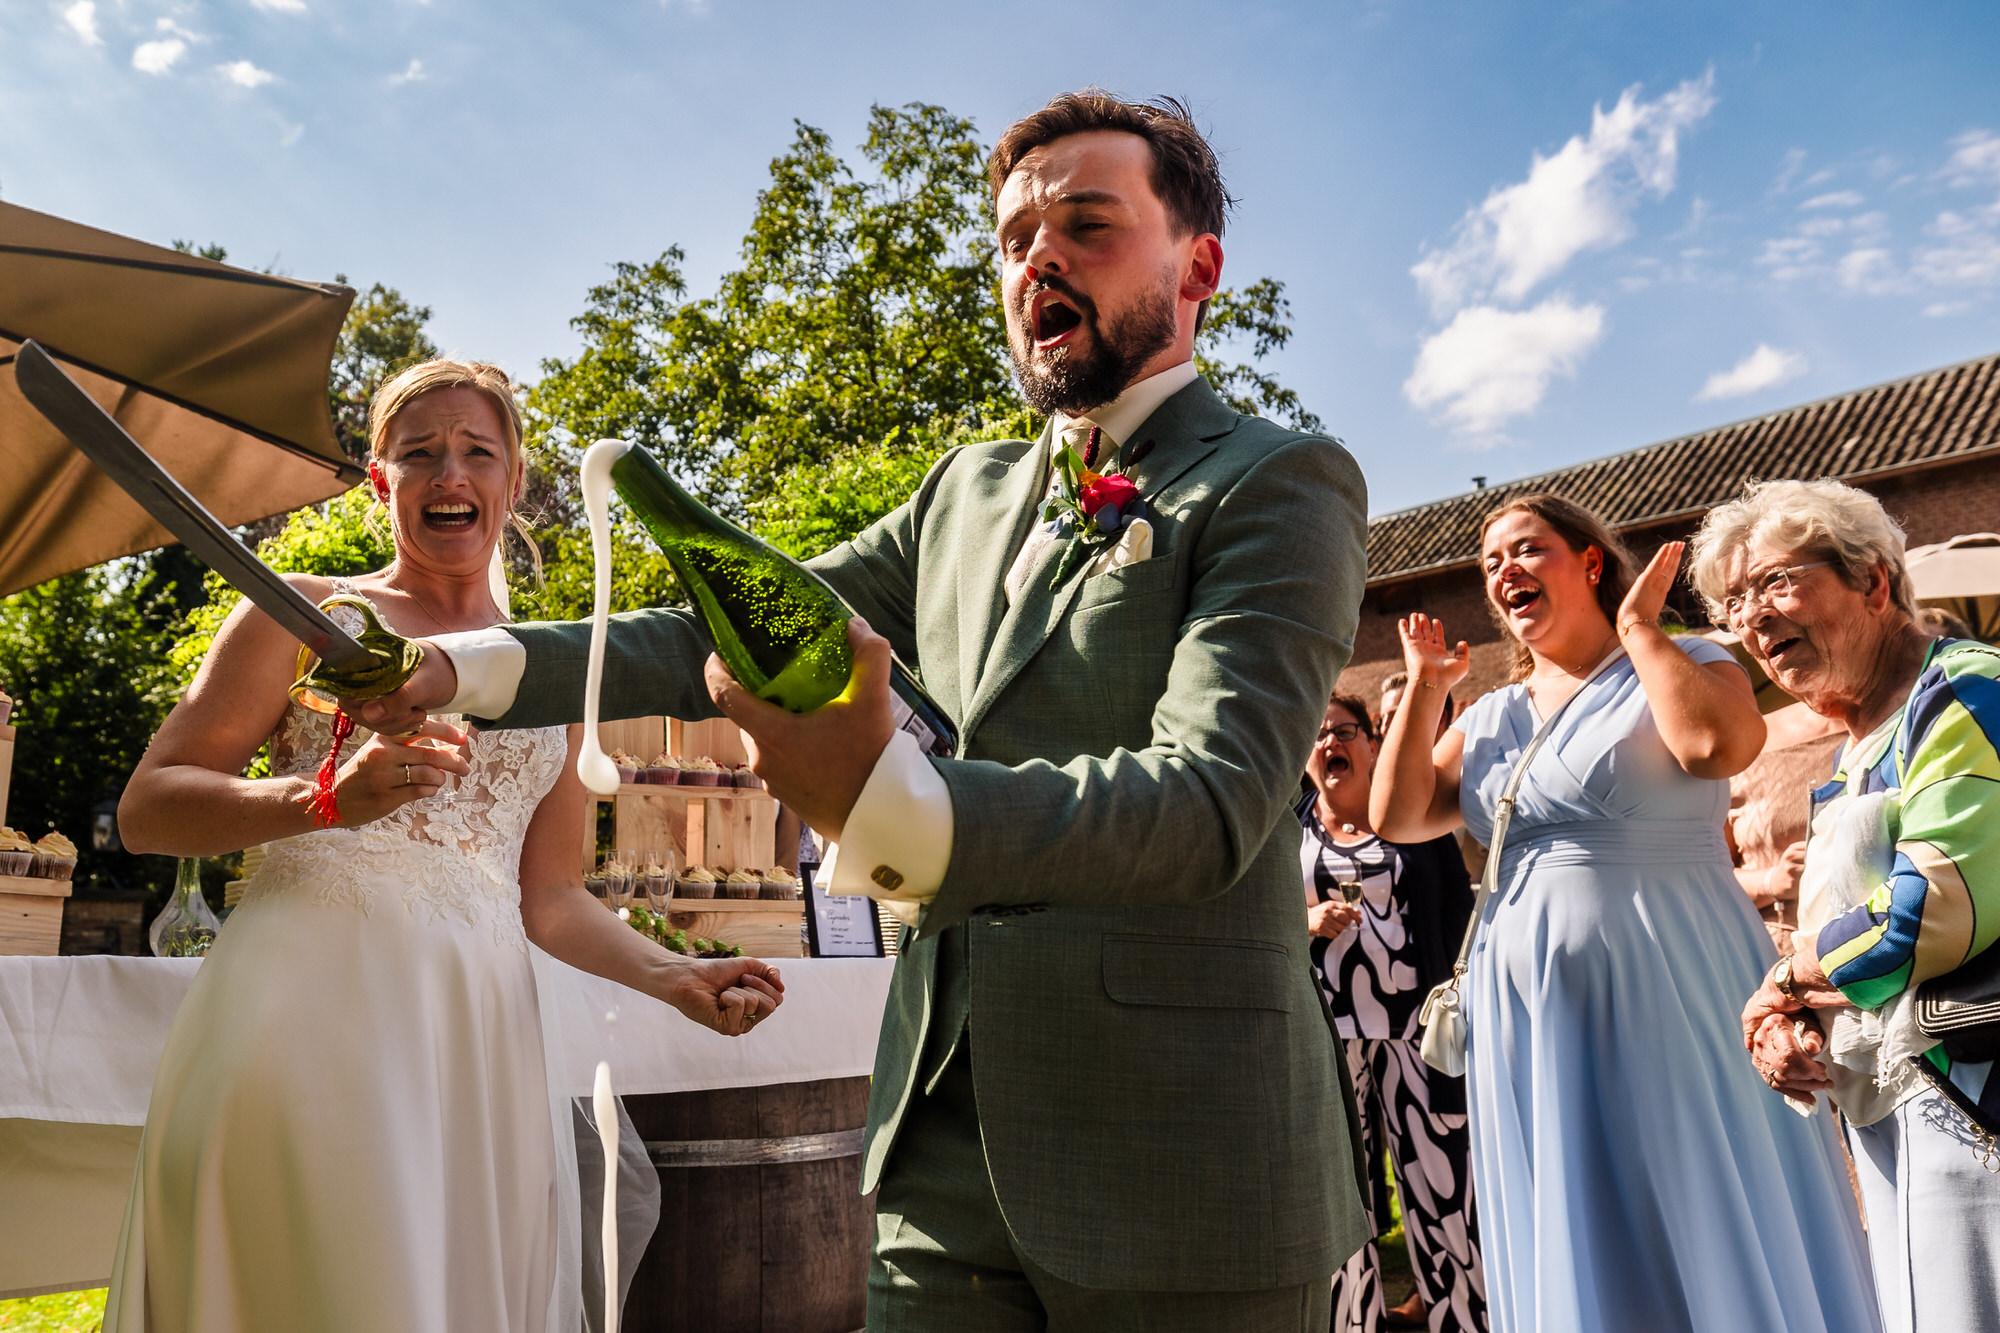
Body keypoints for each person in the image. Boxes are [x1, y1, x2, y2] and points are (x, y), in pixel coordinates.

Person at [357, 92, 1371, 1330]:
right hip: (935, 1159)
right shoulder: (963, 492)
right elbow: (732, 619)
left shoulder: (1279, 479)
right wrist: (457, 667)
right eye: (1011, 241)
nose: (1035, 260)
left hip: (1181, 1157)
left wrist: (888, 808)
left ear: (1195, 264)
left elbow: (1210, 801)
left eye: (1085, 226)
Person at [106, 361, 783, 1333]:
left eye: (476, 452)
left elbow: (548, 898)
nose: (447, 475)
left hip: (479, 1049)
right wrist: (323, 799)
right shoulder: (305, 615)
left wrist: (674, 976)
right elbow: (149, 808)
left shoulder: (550, 673)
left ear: (513, 482)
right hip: (302, 1023)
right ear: (381, 483)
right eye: (418, 455)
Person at [1370, 493, 1881, 1333]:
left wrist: (1642, 629)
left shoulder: (1689, 657)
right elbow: (1398, 815)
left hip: (1675, 970)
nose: (1503, 571)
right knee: (1578, 1202)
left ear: (1590, 562)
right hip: (1529, 1010)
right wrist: (1427, 687)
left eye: (1526, 550)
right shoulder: (1495, 716)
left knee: (1699, 1181)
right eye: (1490, 561)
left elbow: (1717, 747)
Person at [1698, 479, 2000, 1332]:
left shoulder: (1968, 691)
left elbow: (1928, 908)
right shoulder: (1852, 757)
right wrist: (1781, 1019)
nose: (1752, 617)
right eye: (1736, 602)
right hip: (1892, 1117)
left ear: (1873, 579)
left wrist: (1784, 982)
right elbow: (1832, 935)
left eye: (1774, 583)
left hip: (1974, 1098)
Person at [1301, 693, 1486, 1333]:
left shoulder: (1411, 817)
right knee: (1338, 1196)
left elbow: (1455, 914)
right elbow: (1256, 921)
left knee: (1444, 1185)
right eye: (1318, 735)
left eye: (1345, 731)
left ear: (1373, 745)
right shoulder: (1285, 830)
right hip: (1328, 1036)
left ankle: (1465, 1320)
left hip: (1416, 1033)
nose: (1330, 744)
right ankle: (1351, 1323)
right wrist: (1305, 920)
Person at [1726, 697, 1844, 955]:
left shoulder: (1911, 713)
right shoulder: (1739, 744)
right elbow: (1705, 878)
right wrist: (1772, 881)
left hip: (1897, 941)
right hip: (1783, 964)